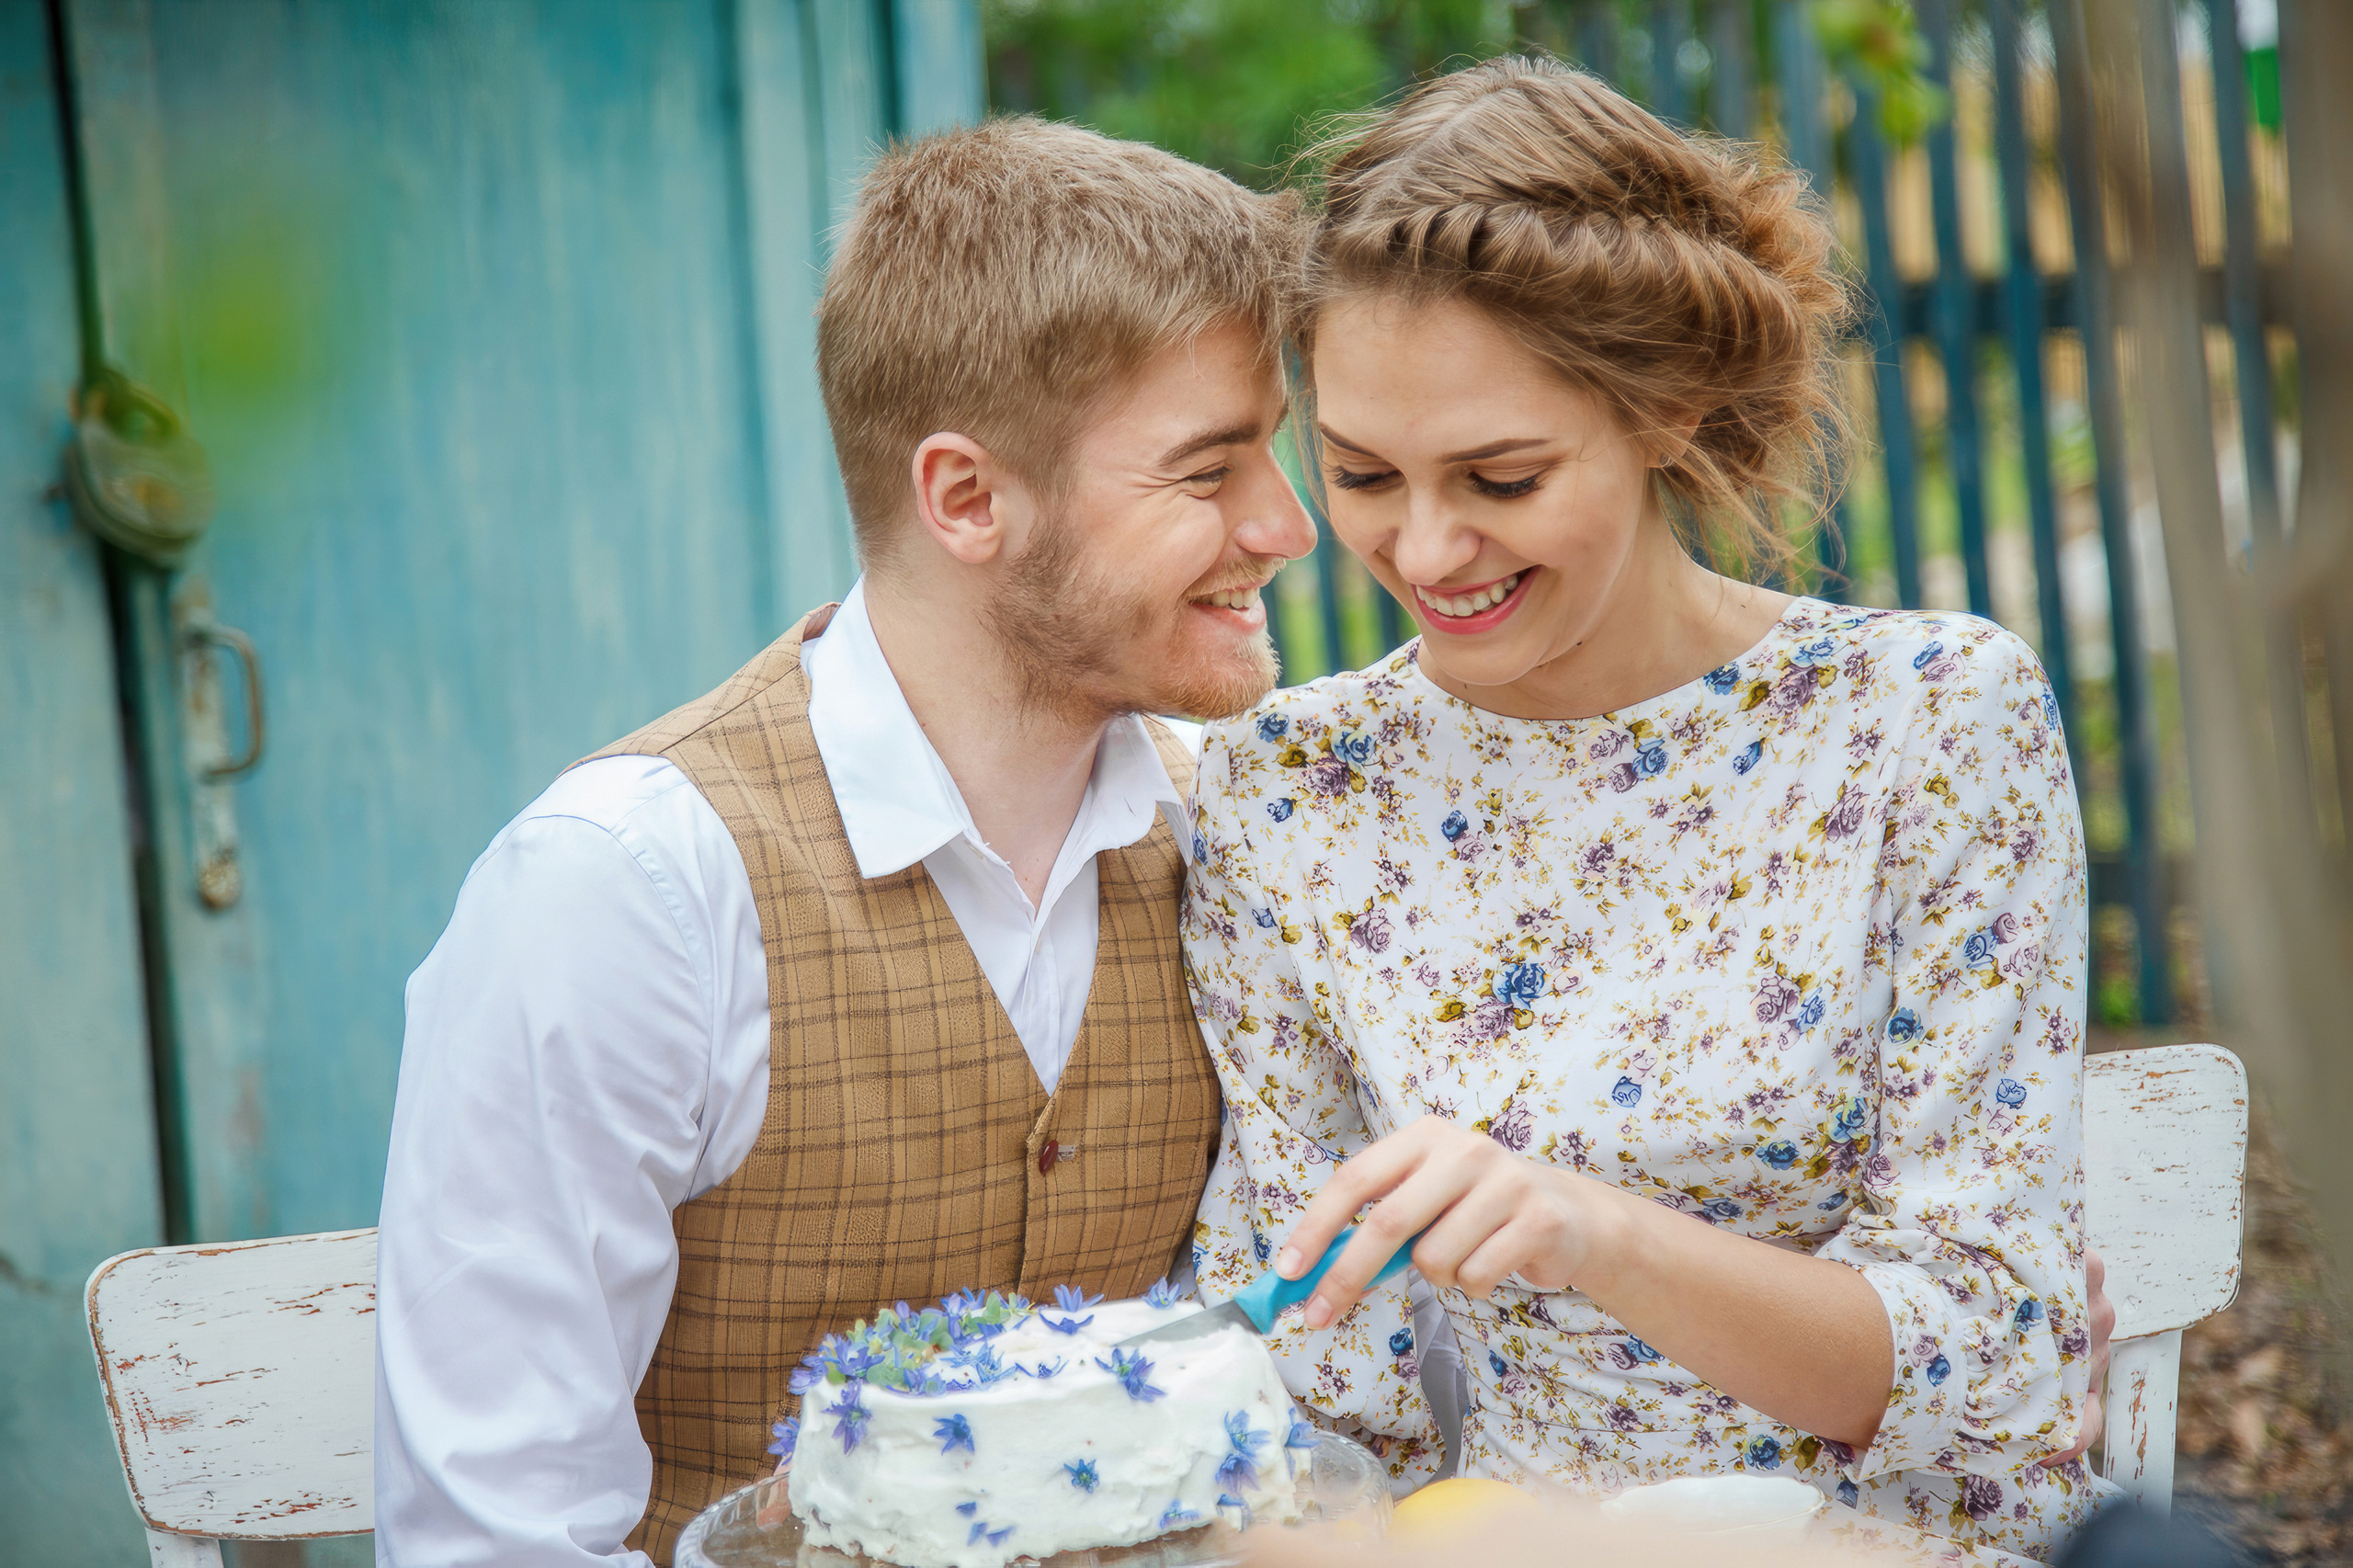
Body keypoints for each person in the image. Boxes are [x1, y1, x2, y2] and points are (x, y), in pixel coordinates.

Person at [1181, 57, 2111, 1563]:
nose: (1424, 546)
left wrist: (1592, 1232)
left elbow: (1988, 1363)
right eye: (1360, 474)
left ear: (1667, 409)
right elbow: (1315, 1377)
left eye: (1501, 473)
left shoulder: (1930, 718)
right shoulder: (1292, 784)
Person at [373, 118, 1316, 1566]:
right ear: (967, 498)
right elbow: (495, 1536)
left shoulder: (1230, 830)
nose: (1287, 523)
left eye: (1276, 454)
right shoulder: (623, 891)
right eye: (1208, 472)